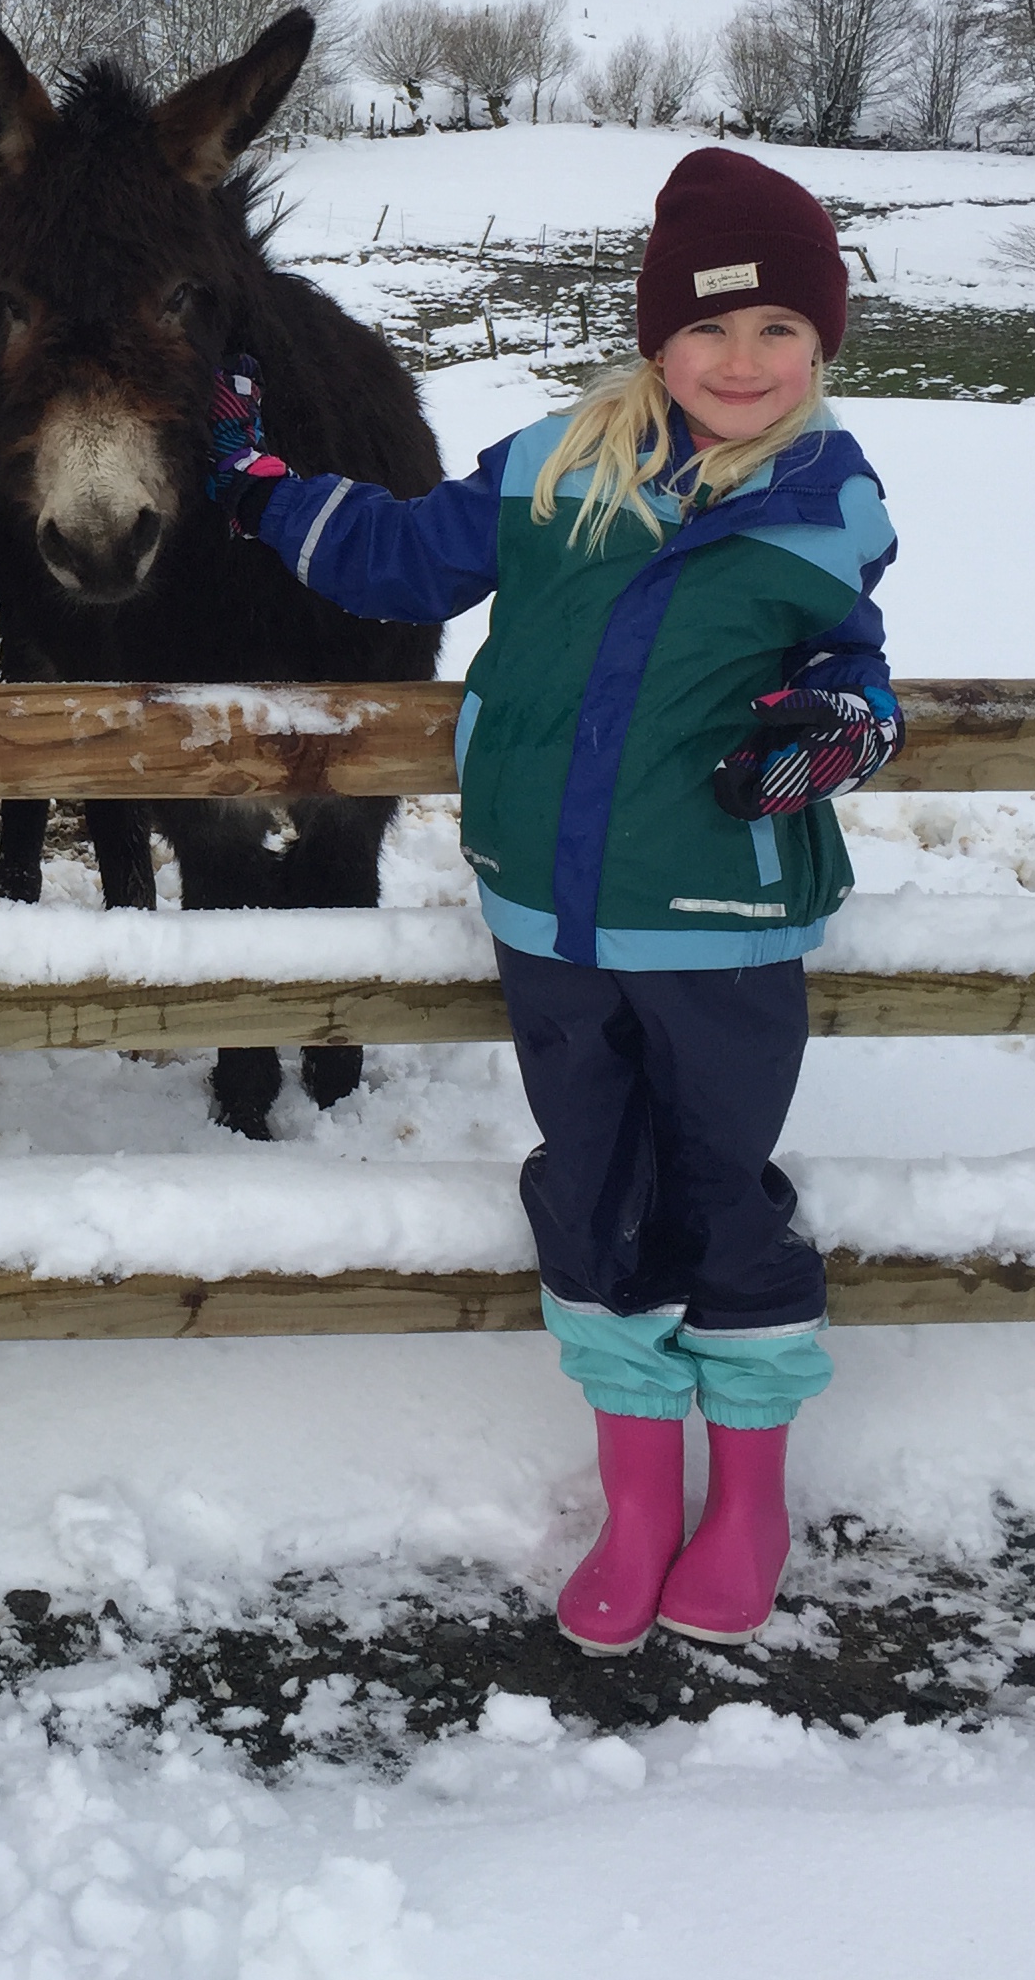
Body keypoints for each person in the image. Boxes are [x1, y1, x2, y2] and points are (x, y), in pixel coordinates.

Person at [210, 150, 899, 1653]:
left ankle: (749, 1499)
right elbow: (403, 561)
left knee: (721, 1190)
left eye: (778, 328)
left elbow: (852, 665)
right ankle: (638, 1500)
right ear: (657, 337)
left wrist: (846, 727)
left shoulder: (826, 500)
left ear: (822, 343)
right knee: (590, 1189)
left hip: (720, 922)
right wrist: (261, 490)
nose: (741, 360)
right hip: (548, 916)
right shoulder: (551, 466)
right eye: (708, 327)